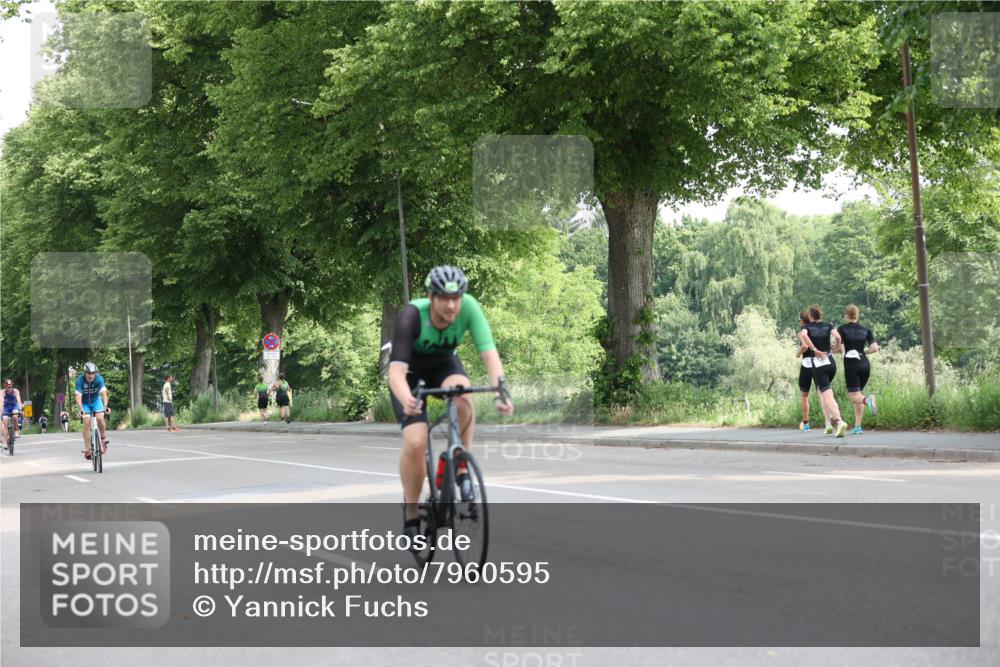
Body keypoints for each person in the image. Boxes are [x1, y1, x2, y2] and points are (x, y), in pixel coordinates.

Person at [388, 265, 514, 542]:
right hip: (409, 377)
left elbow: (489, 355)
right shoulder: (412, 315)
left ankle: (460, 466)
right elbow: (395, 372)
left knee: (463, 396)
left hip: (443, 366)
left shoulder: (469, 307)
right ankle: (411, 512)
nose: (451, 305)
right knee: (416, 442)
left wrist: (500, 393)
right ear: (430, 297)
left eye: (456, 298)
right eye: (444, 298)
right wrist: (407, 398)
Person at [798, 305, 847, 438]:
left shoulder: (807, 328)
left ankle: (839, 420)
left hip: (819, 365)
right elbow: (838, 337)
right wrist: (834, 348)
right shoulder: (828, 326)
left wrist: (814, 349)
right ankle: (828, 424)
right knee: (823, 393)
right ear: (820, 315)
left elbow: (803, 336)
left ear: (811, 316)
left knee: (827, 395)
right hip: (831, 363)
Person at [837, 305, 880, 434]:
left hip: (852, 365)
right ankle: (857, 427)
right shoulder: (866, 330)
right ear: (857, 315)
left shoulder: (842, 329)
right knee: (858, 394)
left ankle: (868, 400)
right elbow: (874, 348)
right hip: (864, 363)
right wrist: (864, 351)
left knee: (853, 396)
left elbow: (841, 348)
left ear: (846, 315)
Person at [75, 361, 110, 460]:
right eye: (89, 373)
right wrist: (81, 409)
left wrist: (105, 406)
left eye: (93, 373)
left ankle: (103, 440)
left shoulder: (99, 379)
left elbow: (104, 394)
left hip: (96, 402)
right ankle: (88, 449)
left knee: (100, 418)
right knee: (86, 421)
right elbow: (78, 396)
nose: (91, 376)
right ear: (85, 373)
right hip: (85, 404)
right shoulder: (80, 381)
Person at [2, 380, 23, 445]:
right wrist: (1, 411)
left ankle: (16, 430)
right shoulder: (2, 392)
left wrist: (20, 409)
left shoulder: (16, 391)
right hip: (6, 407)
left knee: (15, 416)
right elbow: (1, 401)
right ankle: (5, 442)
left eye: (11, 387)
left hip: (14, 406)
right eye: (8, 387)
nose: (10, 388)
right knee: (5, 421)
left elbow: (18, 400)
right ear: (5, 387)